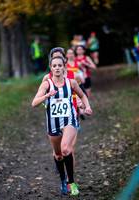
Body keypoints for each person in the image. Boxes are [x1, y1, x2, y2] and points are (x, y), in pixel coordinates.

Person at [32, 56, 92, 196]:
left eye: (60, 65)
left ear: (64, 67)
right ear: (51, 68)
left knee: (66, 149)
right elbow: (34, 103)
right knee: (58, 155)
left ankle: (72, 182)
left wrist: (87, 107)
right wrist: (46, 96)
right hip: (53, 123)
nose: (57, 68)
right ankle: (63, 180)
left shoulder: (71, 83)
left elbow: (82, 96)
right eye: (55, 66)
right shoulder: (46, 84)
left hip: (69, 120)